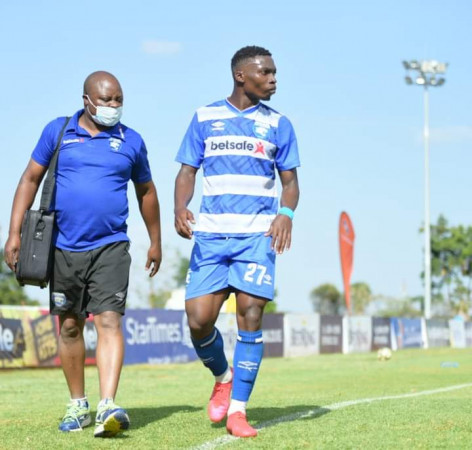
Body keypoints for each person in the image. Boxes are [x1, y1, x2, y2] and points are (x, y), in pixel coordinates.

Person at [4, 71, 162, 437]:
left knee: (109, 321)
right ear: (86, 100)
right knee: (71, 325)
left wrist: (155, 240)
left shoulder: (131, 141)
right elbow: (29, 178)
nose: (112, 107)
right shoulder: (58, 132)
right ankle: (78, 405)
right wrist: (14, 234)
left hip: (110, 245)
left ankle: (108, 404)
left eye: (118, 100)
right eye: (105, 100)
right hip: (61, 246)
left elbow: (147, 192)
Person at [174, 46, 300, 438]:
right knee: (198, 320)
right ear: (241, 75)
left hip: (257, 237)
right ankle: (223, 376)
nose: (274, 79)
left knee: (251, 315)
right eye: (267, 72)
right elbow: (187, 172)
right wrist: (180, 207)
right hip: (211, 235)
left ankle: (239, 412)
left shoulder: (280, 124)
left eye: (275, 73)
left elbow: (291, 183)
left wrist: (286, 215)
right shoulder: (204, 117)